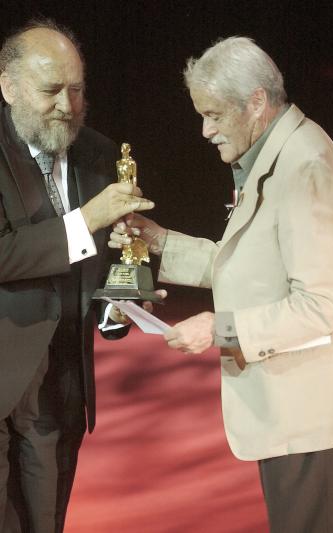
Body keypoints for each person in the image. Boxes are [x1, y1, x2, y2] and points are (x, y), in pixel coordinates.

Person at [110, 37, 333, 532]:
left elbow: (323, 306)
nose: (206, 130)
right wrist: (159, 243)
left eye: (215, 115)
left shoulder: (306, 167)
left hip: (310, 422)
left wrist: (220, 328)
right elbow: (251, 267)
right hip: (291, 416)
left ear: (257, 102)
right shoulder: (274, 157)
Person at [0, 18, 157, 533]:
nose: (67, 105)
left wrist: (121, 304)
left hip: (65, 376)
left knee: (48, 518)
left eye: (77, 88)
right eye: (51, 91)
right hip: (5, 377)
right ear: (9, 86)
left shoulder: (100, 152)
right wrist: (87, 219)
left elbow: (116, 258)